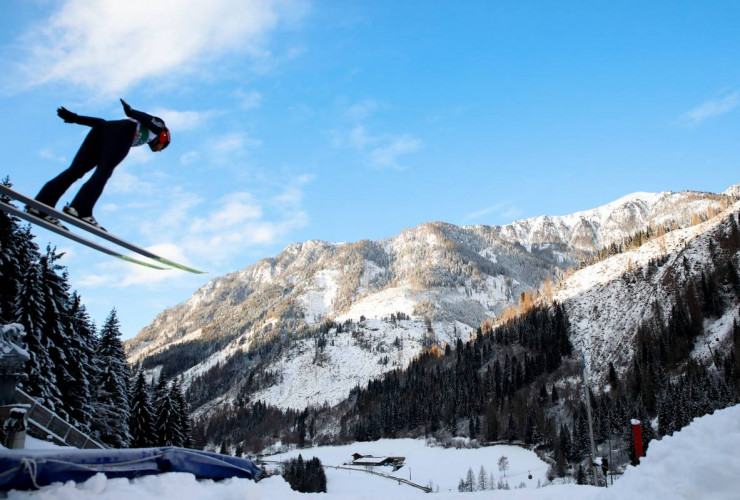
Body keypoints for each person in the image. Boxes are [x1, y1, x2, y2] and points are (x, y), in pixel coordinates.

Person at [27, 99, 170, 231]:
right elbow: (148, 118)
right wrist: (132, 112)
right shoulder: (159, 127)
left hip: (102, 129)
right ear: (164, 138)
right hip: (122, 133)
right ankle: (81, 209)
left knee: (76, 170)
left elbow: (102, 122)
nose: (158, 150)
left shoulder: (143, 136)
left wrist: (76, 118)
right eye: (162, 147)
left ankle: (42, 205)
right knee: (103, 172)